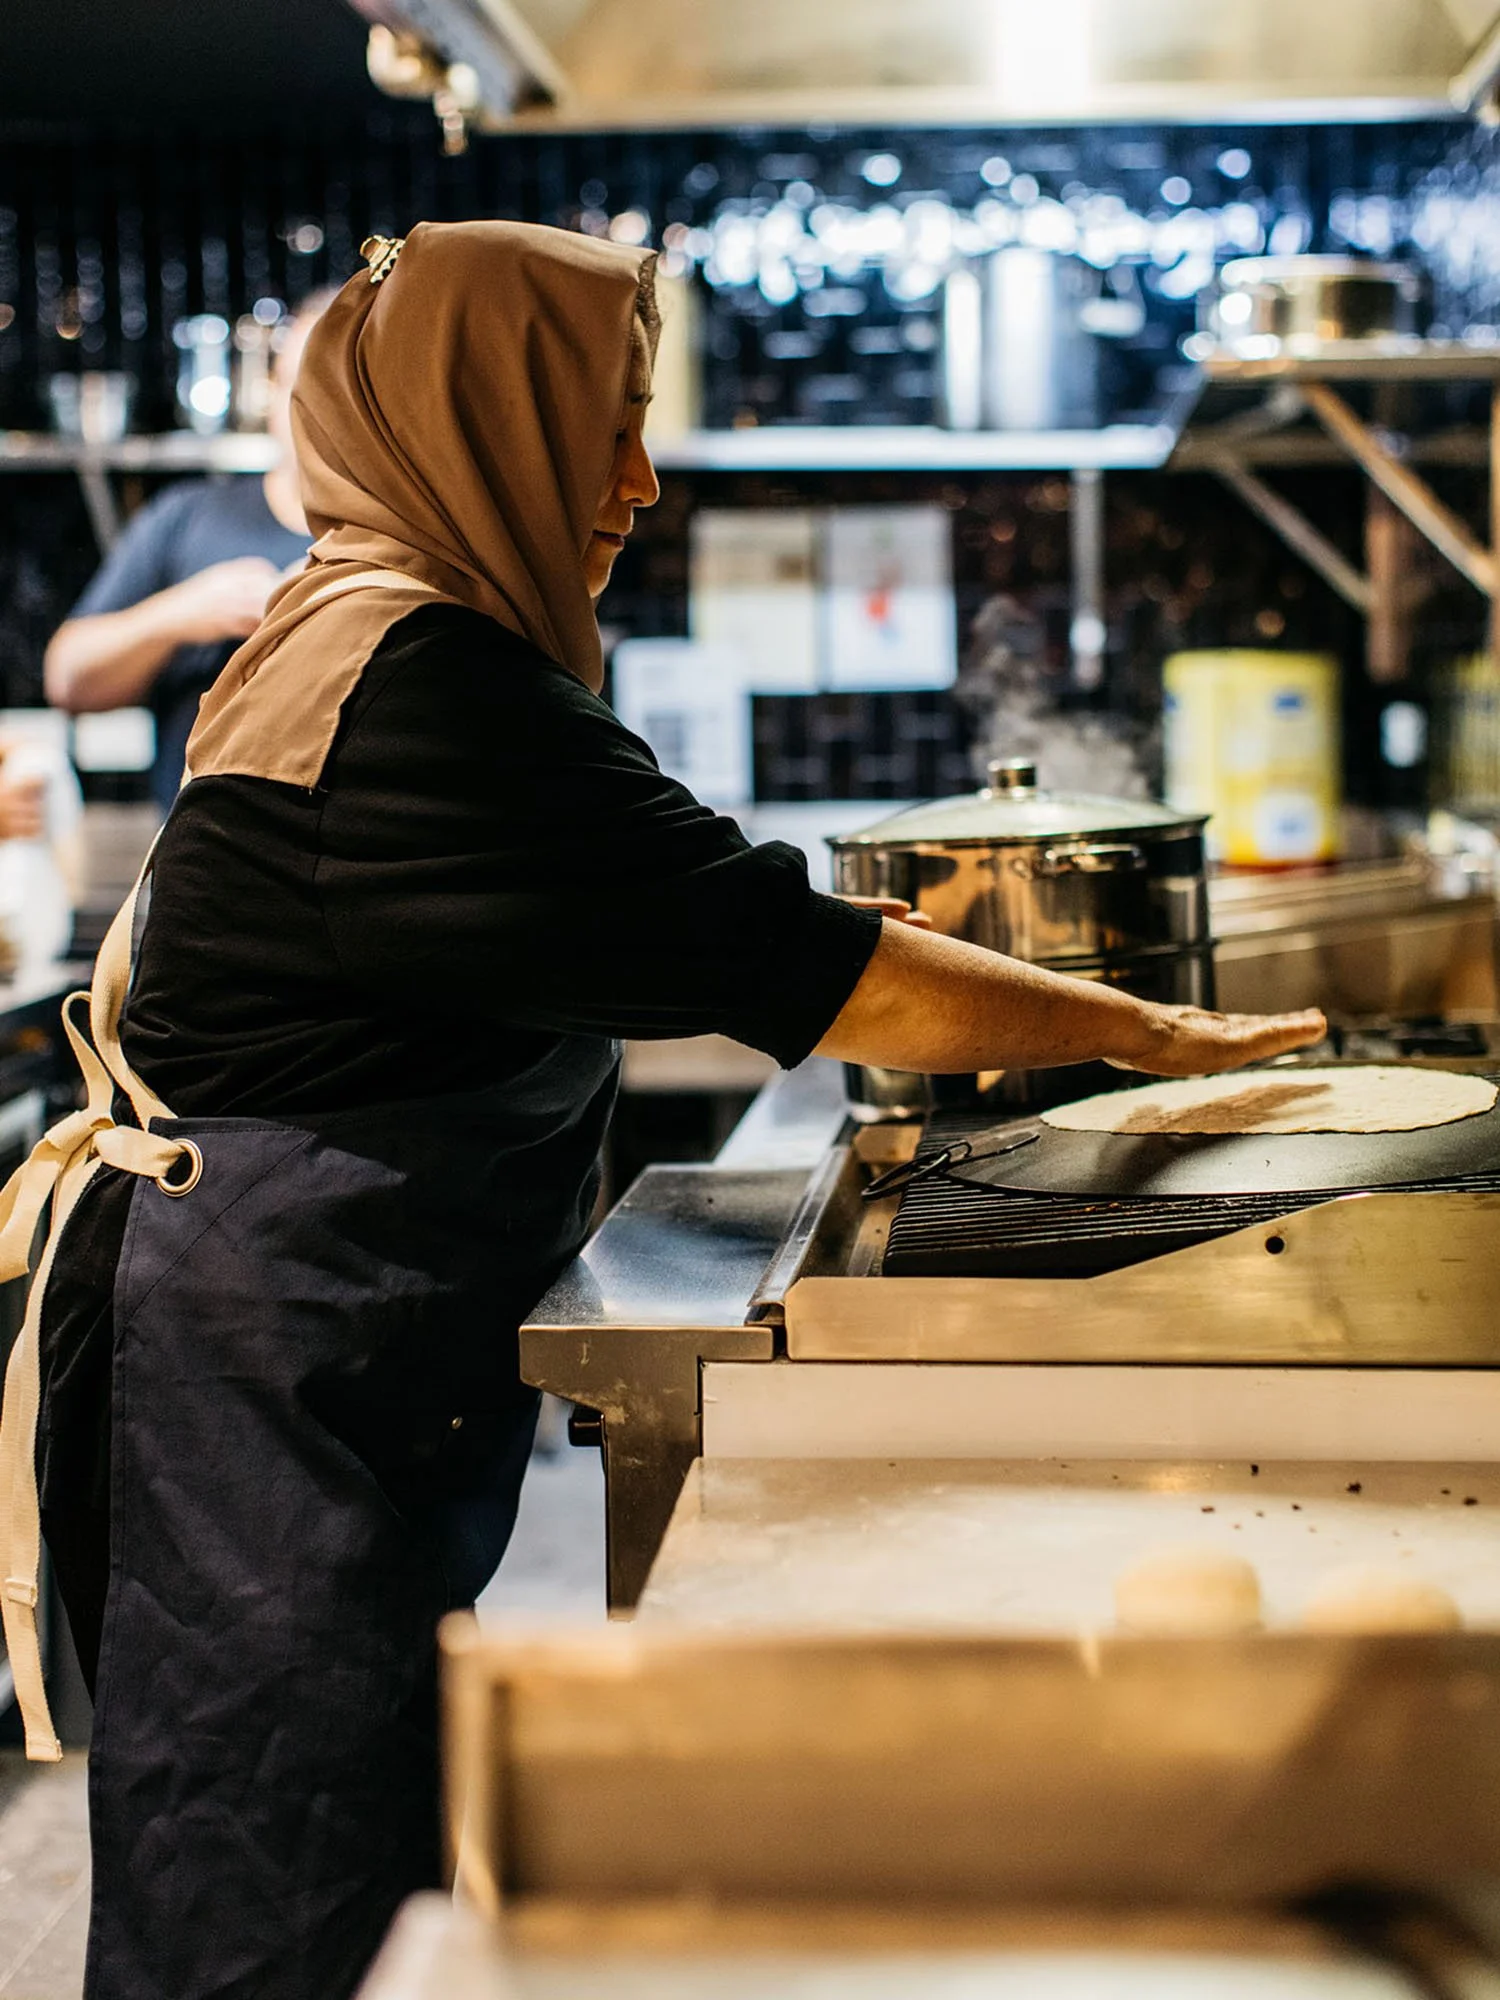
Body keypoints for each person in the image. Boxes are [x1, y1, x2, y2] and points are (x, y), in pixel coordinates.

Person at [0, 222, 1323, 2000]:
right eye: (600, 421)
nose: (639, 475)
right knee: (274, 1846)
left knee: (299, 1811)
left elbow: (713, 912)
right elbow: (816, 969)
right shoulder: (426, 685)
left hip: (282, 1348)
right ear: (484, 418)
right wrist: (1168, 1037)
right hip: (277, 1371)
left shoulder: (367, 612)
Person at [42, 292, 336, 813]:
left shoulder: (406, 538)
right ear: (271, 393)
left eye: (335, 394)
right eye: (296, 388)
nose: (311, 414)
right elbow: (68, 678)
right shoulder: (188, 515)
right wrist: (184, 611)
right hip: (196, 861)